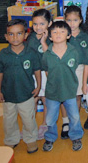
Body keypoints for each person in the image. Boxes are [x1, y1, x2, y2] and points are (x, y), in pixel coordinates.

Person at [0, 19, 41, 153]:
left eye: (19, 33)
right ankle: (11, 140)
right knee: (9, 120)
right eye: (11, 34)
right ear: (6, 36)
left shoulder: (31, 53)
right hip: (8, 95)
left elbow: (37, 70)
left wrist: (38, 86)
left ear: (25, 35)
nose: (15, 37)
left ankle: (31, 140)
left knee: (29, 119)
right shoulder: (2, 55)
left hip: (27, 94)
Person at [42, 21, 84, 152]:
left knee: (75, 116)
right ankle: (50, 137)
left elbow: (74, 68)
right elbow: (47, 71)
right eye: (54, 32)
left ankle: (76, 136)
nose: (58, 34)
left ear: (68, 35)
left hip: (70, 91)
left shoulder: (74, 52)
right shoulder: (47, 54)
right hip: (52, 92)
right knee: (50, 118)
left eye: (62, 31)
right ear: (50, 37)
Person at [26, 9, 51, 140]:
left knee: (46, 99)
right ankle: (30, 127)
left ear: (49, 23)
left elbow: (49, 55)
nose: (38, 27)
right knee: (33, 99)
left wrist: (44, 41)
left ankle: (44, 125)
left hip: (46, 73)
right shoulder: (30, 37)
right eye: (35, 24)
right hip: (33, 73)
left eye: (42, 24)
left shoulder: (52, 37)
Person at [64, 5, 88, 110]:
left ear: (80, 20)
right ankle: (67, 120)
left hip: (80, 69)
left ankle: (76, 119)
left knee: (77, 95)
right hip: (66, 70)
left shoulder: (85, 36)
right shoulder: (62, 35)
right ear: (64, 20)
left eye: (75, 20)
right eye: (69, 20)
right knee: (66, 96)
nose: (72, 23)